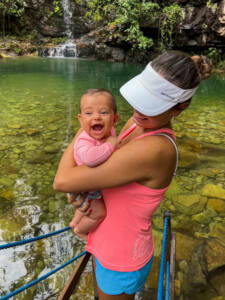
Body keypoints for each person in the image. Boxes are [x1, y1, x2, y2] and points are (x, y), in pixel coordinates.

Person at [54, 51, 212, 300]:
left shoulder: (155, 148)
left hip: (122, 256)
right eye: (141, 97)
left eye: (151, 103)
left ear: (180, 108)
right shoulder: (141, 122)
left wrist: (83, 129)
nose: (137, 108)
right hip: (105, 240)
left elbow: (62, 180)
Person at [68, 88, 118, 241]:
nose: (96, 117)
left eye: (103, 112)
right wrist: (110, 144)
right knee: (98, 213)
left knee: (85, 208)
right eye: (89, 113)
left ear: (115, 119)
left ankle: (74, 222)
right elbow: (90, 159)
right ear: (81, 119)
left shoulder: (110, 131)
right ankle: (80, 231)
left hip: (88, 186)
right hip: (84, 188)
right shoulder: (84, 139)